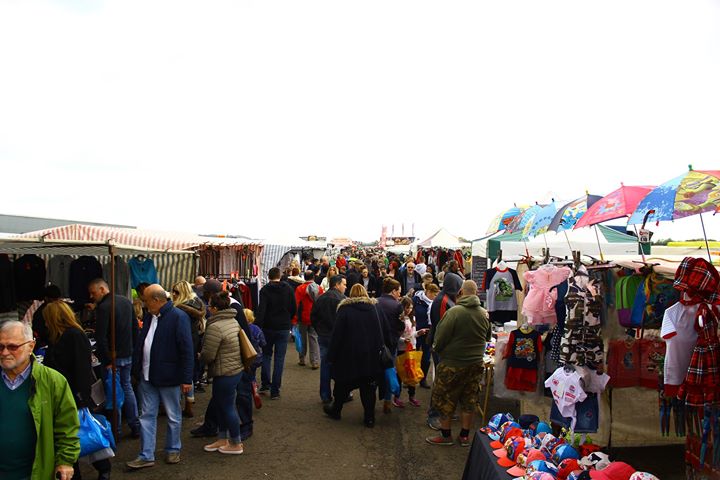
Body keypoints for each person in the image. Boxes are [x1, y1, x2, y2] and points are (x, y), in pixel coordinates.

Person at [0, 320, 79, 480]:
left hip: (34, 473)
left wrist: (65, 461)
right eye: (0, 347)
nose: (4, 352)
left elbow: (67, 426)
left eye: (12, 347)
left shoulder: (53, 381)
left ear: (31, 346)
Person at [126, 284, 194, 470]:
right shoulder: (150, 316)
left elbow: (187, 350)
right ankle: (146, 454)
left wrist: (187, 379)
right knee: (147, 416)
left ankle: (172, 449)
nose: (144, 304)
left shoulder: (178, 317)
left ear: (156, 300)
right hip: (147, 376)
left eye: (146, 301)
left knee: (173, 415)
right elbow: (143, 341)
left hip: (168, 376)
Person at [42, 302, 112, 480]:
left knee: (83, 434)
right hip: (65, 395)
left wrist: (82, 397)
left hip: (75, 395)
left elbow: (82, 368)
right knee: (76, 436)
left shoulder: (73, 335)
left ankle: (103, 468)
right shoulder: (58, 336)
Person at [426, 280, 490, 447]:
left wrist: (437, 349)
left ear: (461, 292)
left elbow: (440, 338)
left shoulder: (454, 312)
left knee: (445, 397)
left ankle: (446, 435)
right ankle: (464, 436)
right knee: (470, 399)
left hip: (453, 363)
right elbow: (488, 337)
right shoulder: (483, 313)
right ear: (476, 293)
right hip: (475, 363)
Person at [323, 284, 388, 428]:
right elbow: (382, 331)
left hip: (348, 356)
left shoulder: (344, 310)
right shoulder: (374, 308)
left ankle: (336, 410)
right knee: (368, 389)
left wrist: (331, 356)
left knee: (342, 385)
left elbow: (337, 335)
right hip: (370, 356)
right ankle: (369, 417)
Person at [88, 278, 140, 438]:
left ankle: (116, 430)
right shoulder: (125, 302)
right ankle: (135, 425)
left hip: (113, 357)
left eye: (93, 292)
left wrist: (107, 360)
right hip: (127, 353)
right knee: (127, 389)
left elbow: (100, 336)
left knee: (114, 393)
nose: (91, 296)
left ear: (103, 289)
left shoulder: (104, 307)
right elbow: (134, 329)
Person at [200, 292, 245, 455]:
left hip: (224, 371)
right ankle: (223, 438)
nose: (207, 308)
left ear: (214, 308)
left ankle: (235, 443)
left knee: (226, 407)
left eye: (209, 305)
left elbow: (209, 354)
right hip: (234, 369)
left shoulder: (215, 326)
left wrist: (200, 357)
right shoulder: (232, 320)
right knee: (224, 405)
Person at [426, 271, 464, 428]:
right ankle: (434, 414)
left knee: (447, 381)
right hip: (442, 347)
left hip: (444, 346)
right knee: (442, 381)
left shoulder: (447, 299)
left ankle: (444, 410)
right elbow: (443, 328)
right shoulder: (443, 301)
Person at [255, 267, 297, 400]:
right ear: (280, 275)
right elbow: (293, 307)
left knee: (266, 355)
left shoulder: (265, 290)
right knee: (279, 358)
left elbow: (261, 310)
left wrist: (258, 327)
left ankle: (266, 383)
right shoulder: (288, 289)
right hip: (283, 327)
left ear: (269, 276)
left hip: (268, 327)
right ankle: (275, 390)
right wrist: (288, 319)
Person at [310, 274, 347, 404]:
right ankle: (341, 393)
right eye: (344, 284)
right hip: (337, 337)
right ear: (337, 285)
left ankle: (325, 394)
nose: (345, 287)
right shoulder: (342, 300)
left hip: (324, 335)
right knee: (340, 366)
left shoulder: (321, 298)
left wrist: (319, 330)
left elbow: (313, 316)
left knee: (325, 365)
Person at [171, 280, 206, 418]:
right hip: (195, 340)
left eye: (175, 291)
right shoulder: (198, 304)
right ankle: (189, 403)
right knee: (189, 372)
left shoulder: (179, 309)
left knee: (180, 373)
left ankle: (178, 404)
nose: (173, 294)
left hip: (181, 341)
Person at [392, 296, 429, 408]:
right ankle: (396, 397)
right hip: (402, 350)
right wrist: (403, 340)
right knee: (400, 374)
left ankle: (412, 397)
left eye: (411, 308)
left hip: (412, 348)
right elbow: (395, 336)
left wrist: (419, 332)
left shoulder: (412, 318)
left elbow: (413, 334)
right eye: (407, 307)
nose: (409, 310)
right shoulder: (399, 319)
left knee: (412, 373)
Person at [377, 277, 404, 414]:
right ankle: (387, 401)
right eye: (399, 291)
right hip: (391, 344)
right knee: (389, 369)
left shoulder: (374, 302)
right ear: (393, 291)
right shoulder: (397, 306)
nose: (400, 294)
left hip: (375, 343)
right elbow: (401, 326)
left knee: (375, 372)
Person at [294, 270, 323, 369]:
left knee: (302, 338)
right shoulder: (319, 288)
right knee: (314, 339)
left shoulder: (300, 288)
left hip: (303, 317)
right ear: (314, 277)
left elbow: (296, 304)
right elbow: (320, 304)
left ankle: (302, 359)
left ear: (304, 277)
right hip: (315, 317)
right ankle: (314, 361)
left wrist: (295, 318)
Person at [413, 283, 440, 388]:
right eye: (434, 295)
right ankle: (411, 377)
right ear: (428, 292)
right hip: (416, 332)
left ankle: (423, 379)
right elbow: (411, 313)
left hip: (428, 333)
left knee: (426, 358)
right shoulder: (416, 300)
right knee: (413, 356)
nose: (435, 297)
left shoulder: (435, 303)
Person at [244, 308, 266, 409]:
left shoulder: (241, 329)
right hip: (256, 357)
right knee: (252, 374)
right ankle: (254, 388)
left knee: (246, 376)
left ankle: (250, 390)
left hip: (245, 357)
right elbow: (263, 343)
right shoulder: (257, 329)